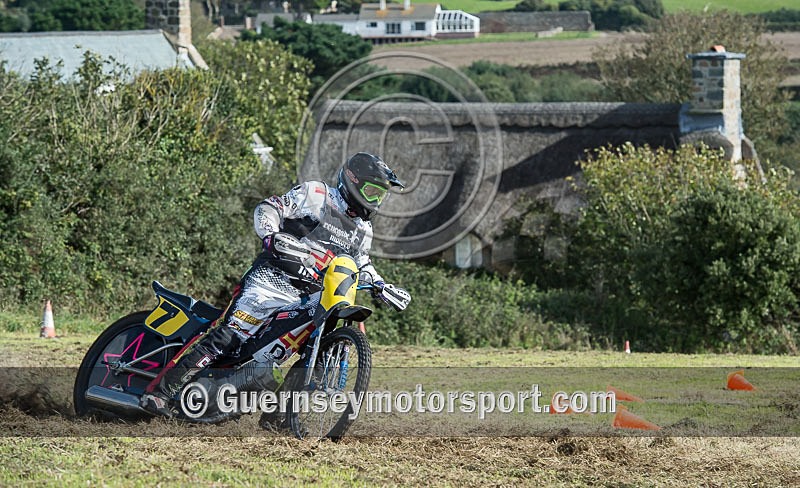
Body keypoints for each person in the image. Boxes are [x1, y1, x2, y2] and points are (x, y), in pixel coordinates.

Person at [141, 152, 408, 416]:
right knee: (229, 334)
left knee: (316, 341)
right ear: (353, 180)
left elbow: (361, 263)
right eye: (373, 192)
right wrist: (271, 235)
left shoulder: (364, 229)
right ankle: (159, 393)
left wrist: (382, 285)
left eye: (381, 196)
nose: (376, 202)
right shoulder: (317, 194)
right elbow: (269, 208)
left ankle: (280, 417)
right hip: (270, 280)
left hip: (310, 294)